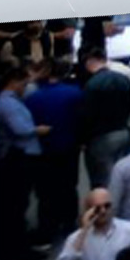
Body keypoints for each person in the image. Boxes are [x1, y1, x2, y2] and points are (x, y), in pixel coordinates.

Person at [24, 59, 83, 243]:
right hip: (69, 149)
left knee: (46, 192)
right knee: (69, 187)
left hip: (45, 152)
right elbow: (82, 121)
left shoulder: (33, 98)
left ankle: (48, 228)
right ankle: (69, 224)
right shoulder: (75, 93)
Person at [0, 67, 49, 260]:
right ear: (14, 82)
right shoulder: (7, 103)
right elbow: (20, 129)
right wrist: (38, 130)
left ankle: (18, 243)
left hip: (20, 157)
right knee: (17, 203)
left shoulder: (10, 101)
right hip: (21, 157)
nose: (25, 88)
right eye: (24, 84)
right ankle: (17, 247)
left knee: (18, 203)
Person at [80, 48, 130, 189]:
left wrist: (84, 139)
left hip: (101, 137)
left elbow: (88, 115)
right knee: (127, 174)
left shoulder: (91, 85)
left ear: (90, 62)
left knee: (103, 179)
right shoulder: (122, 79)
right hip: (123, 130)